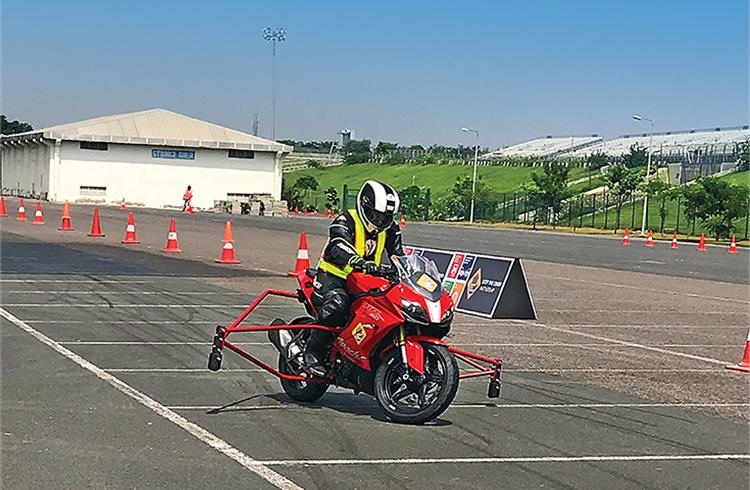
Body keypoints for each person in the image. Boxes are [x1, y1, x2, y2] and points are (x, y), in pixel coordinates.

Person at [304, 180, 405, 375]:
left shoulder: (391, 229)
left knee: (390, 307)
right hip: (333, 277)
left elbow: (400, 256)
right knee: (339, 304)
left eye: (385, 217)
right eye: (375, 214)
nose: (380, 220)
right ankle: (313, 353)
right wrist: (355, 260)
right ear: (364, 206)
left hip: (365, 282)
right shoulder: (346, 219)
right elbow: (338, 244)